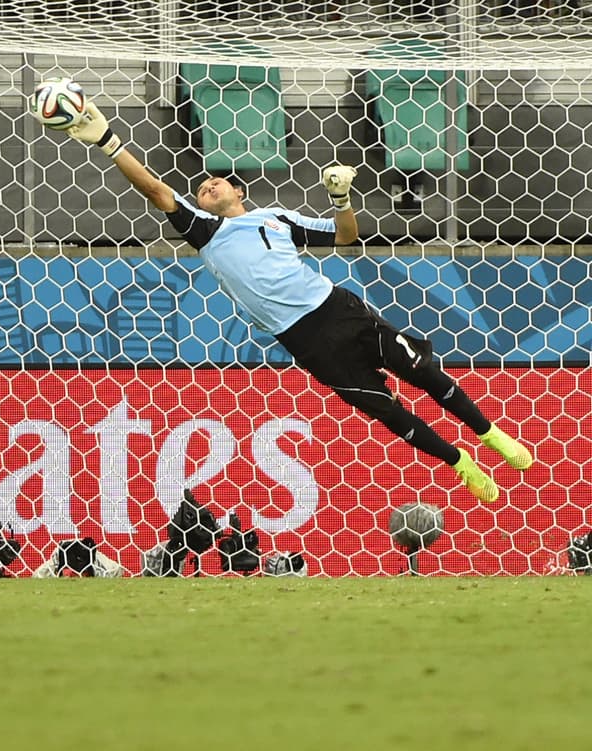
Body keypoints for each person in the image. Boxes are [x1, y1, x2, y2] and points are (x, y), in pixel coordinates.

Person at [47, 94, 533, 503]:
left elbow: (344, 238)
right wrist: (109, 142)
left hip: (338, 309)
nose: (206, 185)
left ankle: (490, 435)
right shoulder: (206, 230)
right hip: (307, 341)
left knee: (422, 372)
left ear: (237, 190)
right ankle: (460, 462)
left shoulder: (277, 218)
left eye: (215, 180)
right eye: (201, 185)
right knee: (387, 412)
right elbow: (155, 189)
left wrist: (342, 199)